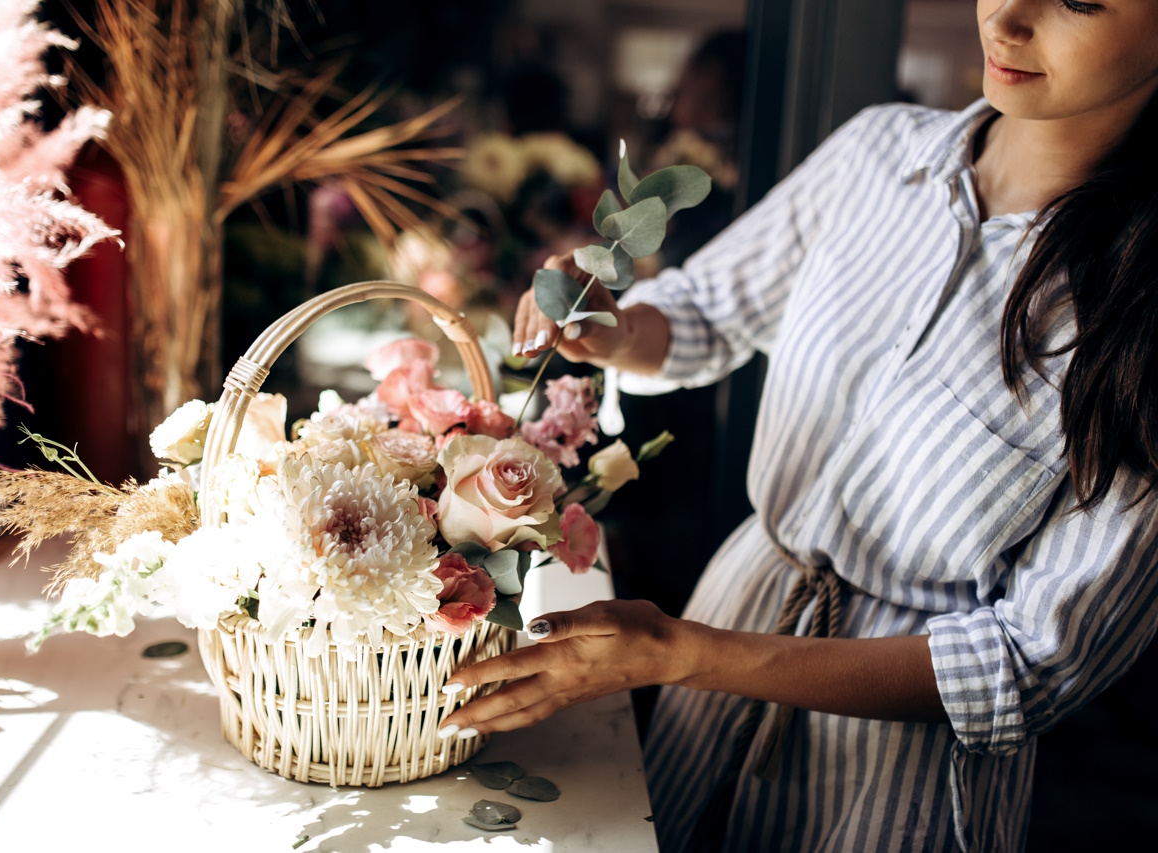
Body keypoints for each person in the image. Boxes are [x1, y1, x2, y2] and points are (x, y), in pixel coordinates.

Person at [436, 1, 1158, 850]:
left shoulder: (1134, 303)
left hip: (895, 765)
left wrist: (688, 652)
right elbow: (710, 308)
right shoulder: (879, 152)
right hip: (729, 625)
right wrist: (617, 329)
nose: (1007, 19)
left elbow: (1031, 663)